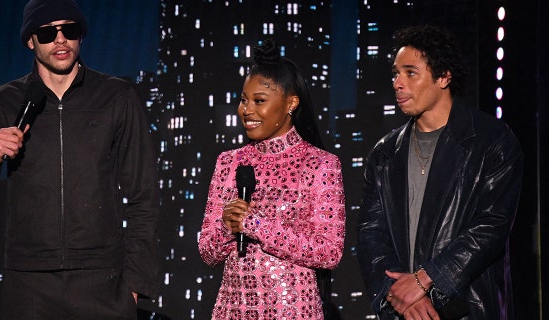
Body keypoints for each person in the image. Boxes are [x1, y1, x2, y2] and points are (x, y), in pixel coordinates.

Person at [0, 0, 159, 319]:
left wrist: (135, 287)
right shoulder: (3, 101)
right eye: (47, 32)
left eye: (68, 30)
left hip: (102, 283)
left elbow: (144, 196)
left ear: (80, 36)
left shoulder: (116, 97)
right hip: (29, 285)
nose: (60, 39)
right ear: (30, 40)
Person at [357, 25, 523, 320]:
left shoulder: (490, 140)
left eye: (410, 72)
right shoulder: (384, 153)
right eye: (396, 73)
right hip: (403, 312)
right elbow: (371, 234)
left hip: (468, 307)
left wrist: (425, 280)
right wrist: (401, 296)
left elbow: (491, 226)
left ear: (443, 76)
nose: (398, 83)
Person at [198, 39, 346, 319]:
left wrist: (256, 225)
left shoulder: (321, 165)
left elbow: (329, 252)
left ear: (290, 103)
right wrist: (229, 227)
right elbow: (208, 252)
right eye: (244, 100)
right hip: (233, 310)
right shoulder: (228, 162)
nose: (247, 110)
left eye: (259, 101)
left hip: (292, 311)